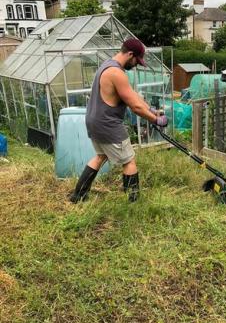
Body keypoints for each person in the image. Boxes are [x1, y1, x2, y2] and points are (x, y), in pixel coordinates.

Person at [69, 37, 168, 203]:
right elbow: (134, 107)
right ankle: (133, 202)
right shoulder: (117, 73)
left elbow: (132, 96)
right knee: (129, 160)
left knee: (100, 156)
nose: (136, 64)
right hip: (108, 124)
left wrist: (151, 110)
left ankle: (78, 195)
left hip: (94, 122)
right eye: (137, 61)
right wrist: (156, 121)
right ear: (130, 54)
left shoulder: (106, 65)